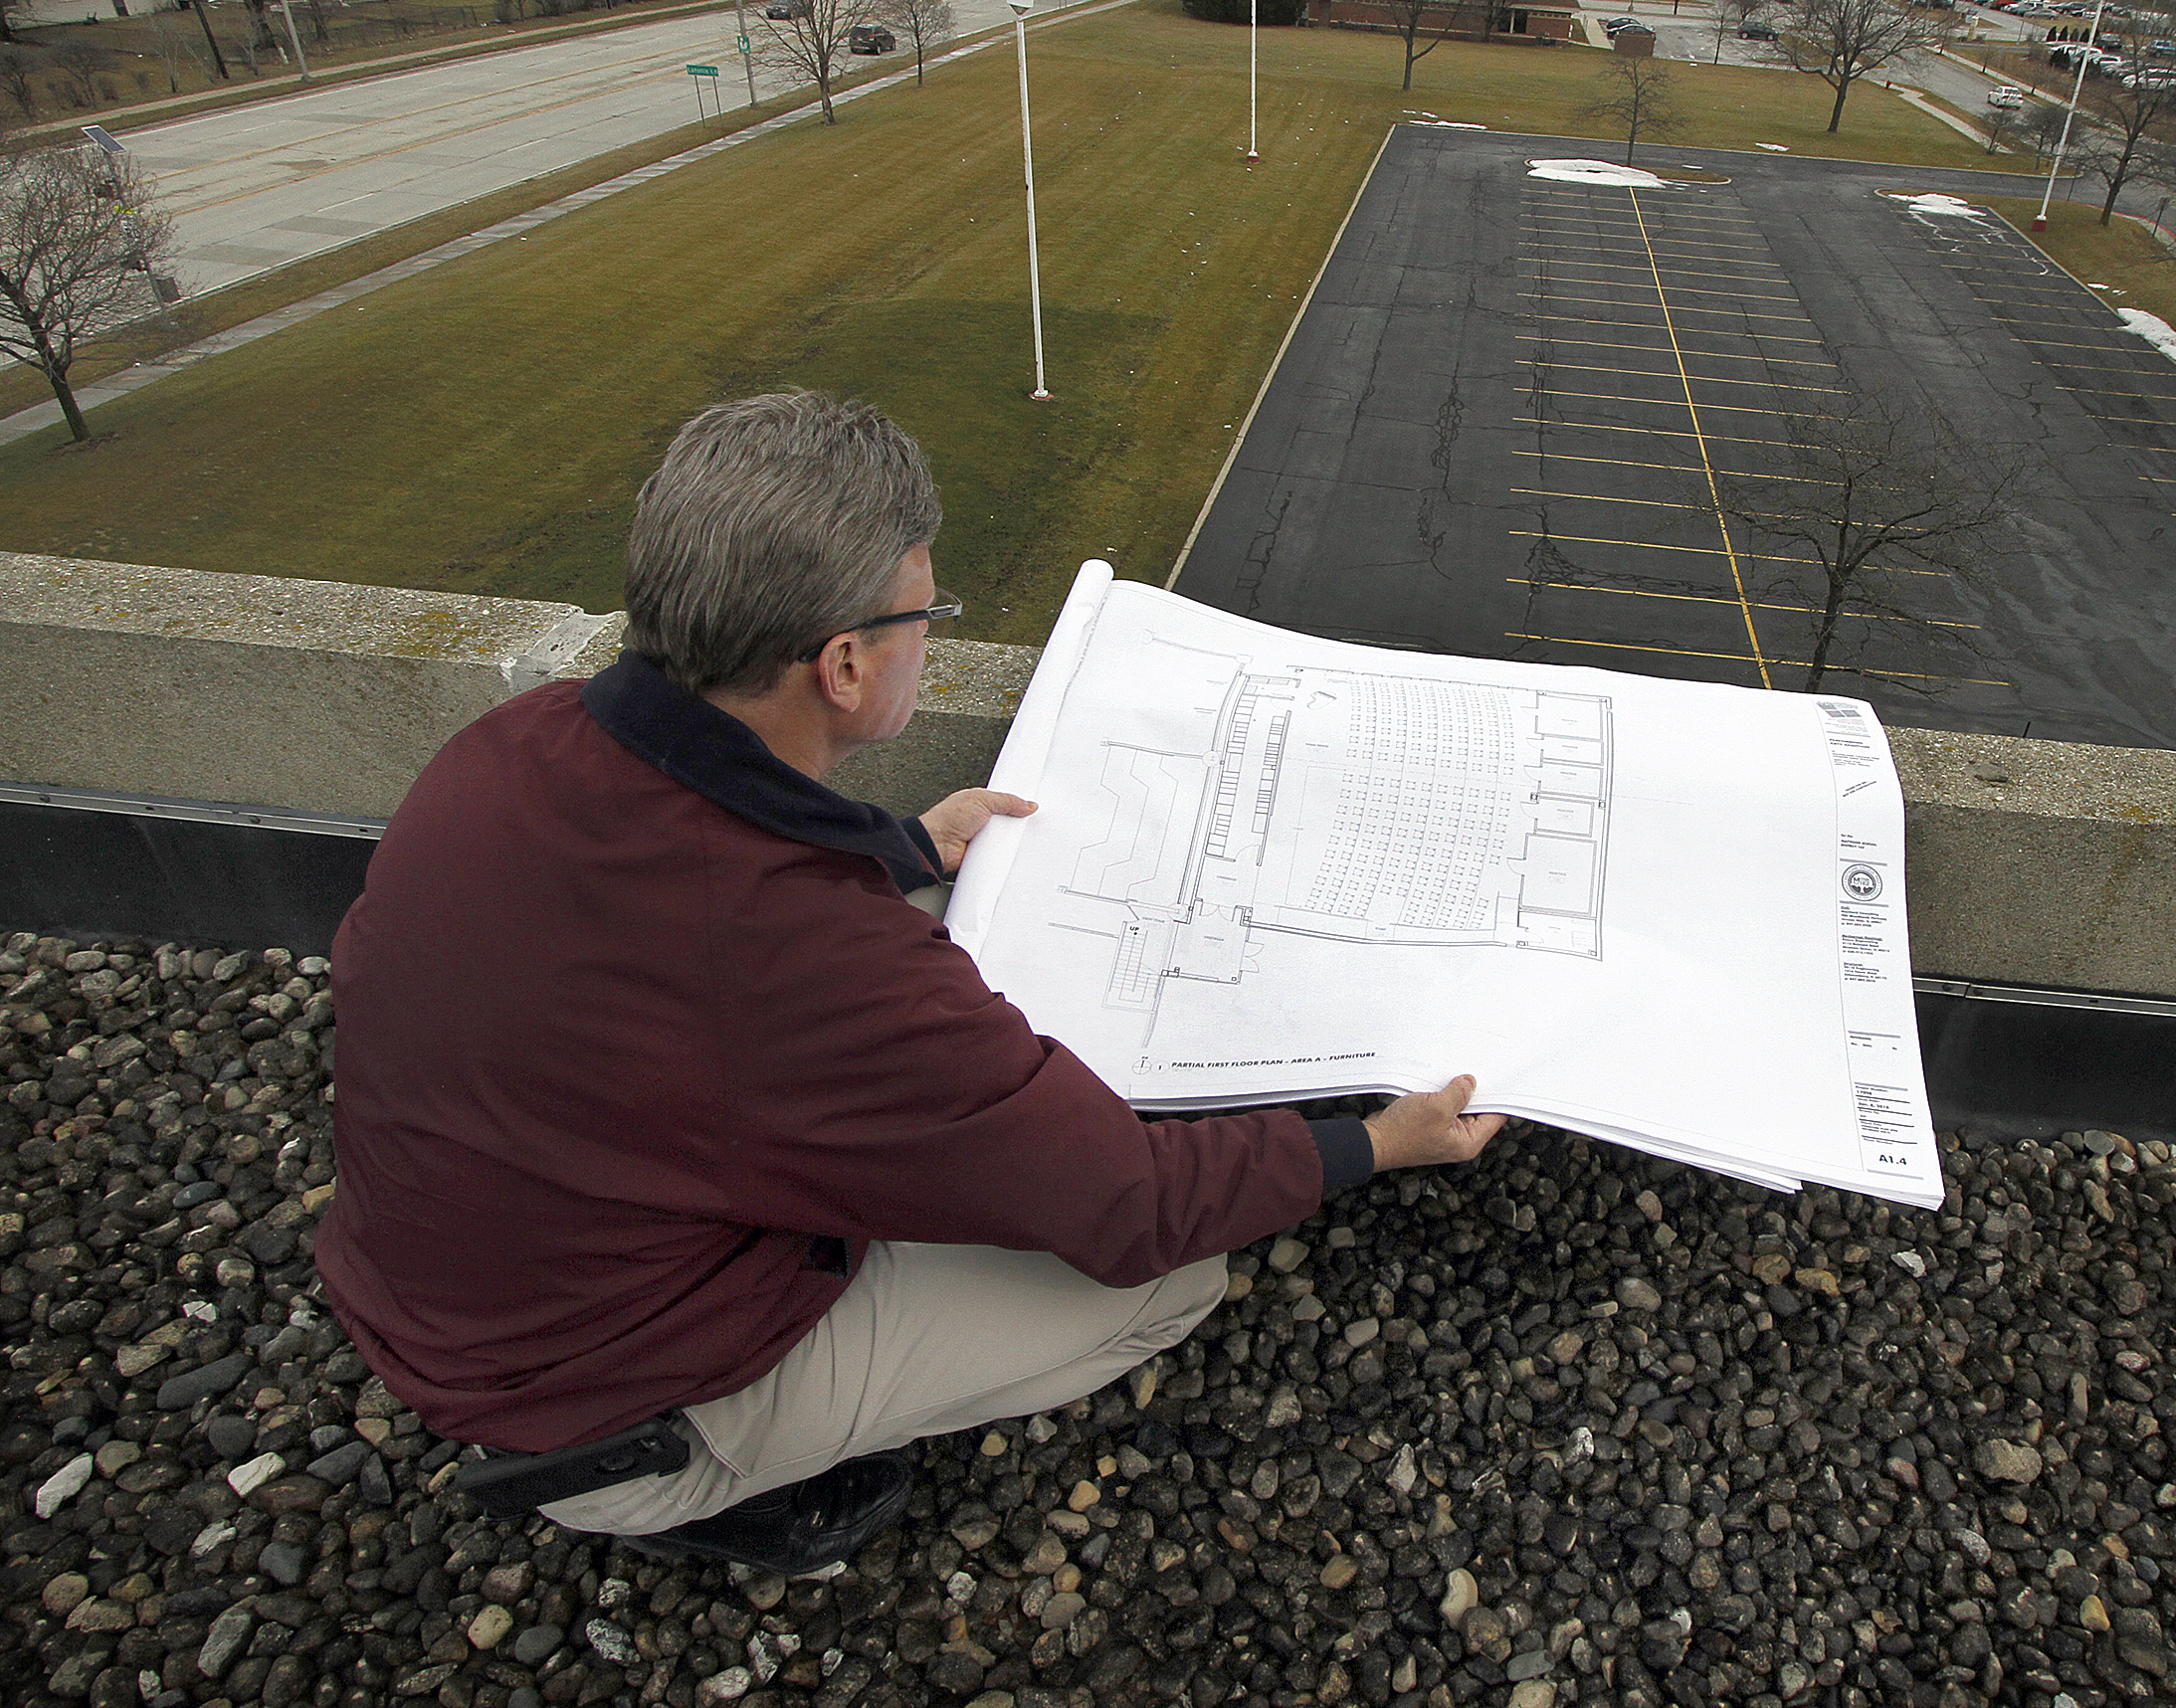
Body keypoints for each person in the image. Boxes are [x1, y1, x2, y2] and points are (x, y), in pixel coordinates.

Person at [316, 392, 1503, 1575]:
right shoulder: (807, 961)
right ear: (843, 663)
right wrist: (1374, 1142)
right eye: (923, 614)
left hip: (443, 1287)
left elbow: (714, 867)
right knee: (1175, 1280)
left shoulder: (517, 738)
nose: (928, 634)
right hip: (593, 1404)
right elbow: (1133, 1205)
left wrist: (899, 845)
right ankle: (719, 1493)